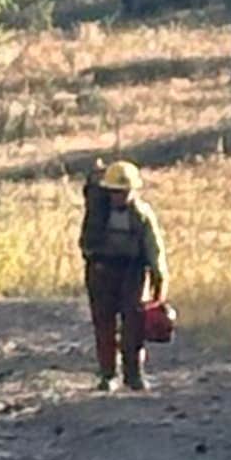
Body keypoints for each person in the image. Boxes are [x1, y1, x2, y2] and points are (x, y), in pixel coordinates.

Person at [80, 158, 166, 390]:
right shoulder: (98, 214)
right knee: (104, 325)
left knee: (134, 325)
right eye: (116, 192)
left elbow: (154, 247)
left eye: (124, 191)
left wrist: (159, 279)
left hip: (132, 273)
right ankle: (108, 375)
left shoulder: (142, 214)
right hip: (102, 272)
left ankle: (133, 375)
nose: (119, 196)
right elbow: (87, 244)